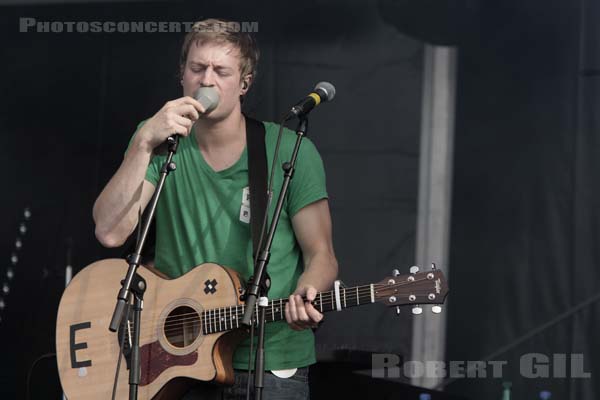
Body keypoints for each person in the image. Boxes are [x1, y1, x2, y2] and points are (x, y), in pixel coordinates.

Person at [92, 18, 338, 399]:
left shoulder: (289, 151)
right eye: (197, 68)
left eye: (221, 71)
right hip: (175, 356)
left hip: (267, 360)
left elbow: (321, 254)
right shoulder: (160, 140)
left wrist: (308, 290)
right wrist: (142, 143)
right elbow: (110, 231)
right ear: (182, 76)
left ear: (244, 82)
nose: (207, 80)